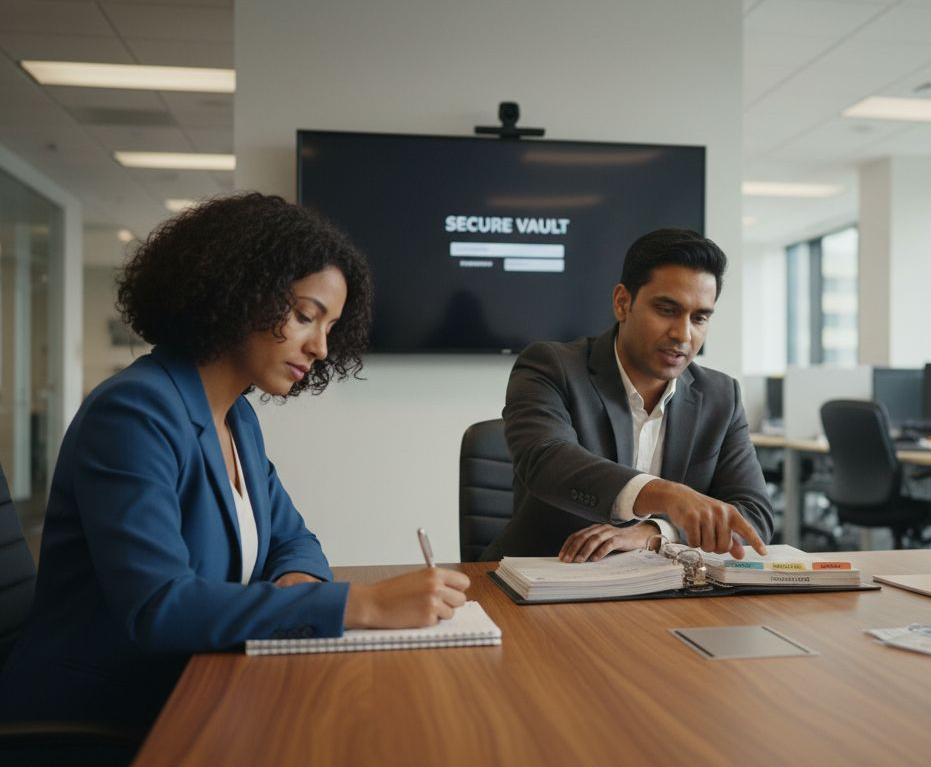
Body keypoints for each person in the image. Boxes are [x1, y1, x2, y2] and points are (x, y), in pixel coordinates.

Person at [0, 193, 471, 726]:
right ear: (239, 291)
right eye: (304, 316)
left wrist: (299, 582)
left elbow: (295, 540)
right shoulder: (135, 410)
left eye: (330, 327)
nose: (320, 347)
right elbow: (158, 606)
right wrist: (361, 605)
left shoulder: (236, 417)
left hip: (192, 684)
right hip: (97, 710)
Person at [481, 228, 773, 562]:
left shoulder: (721, 395)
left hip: (663, 595)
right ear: (623, 302)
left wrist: (656, 532)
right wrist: (666, 495)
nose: (683, 334)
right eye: (666, 310)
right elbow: (545, 458)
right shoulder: (551, 366)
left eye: (699, 318)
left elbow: (754, 516)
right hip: (550, 581)